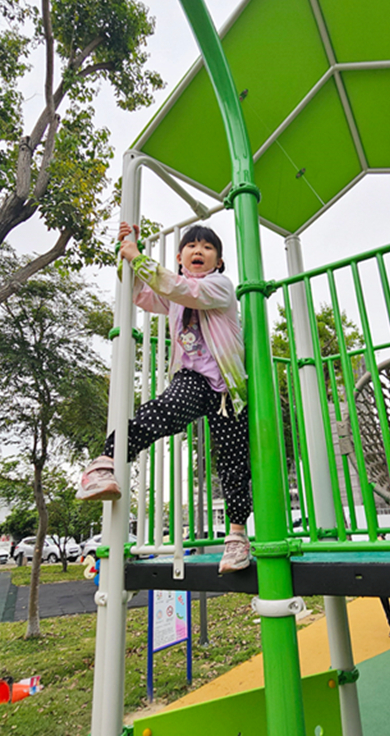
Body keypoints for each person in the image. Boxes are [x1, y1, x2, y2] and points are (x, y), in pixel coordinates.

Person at [78, 222, 253, 574]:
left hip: (228, 389)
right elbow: (140, 292)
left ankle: (236, 537)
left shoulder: (219, 287)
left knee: (235, 464)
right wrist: (127, 249)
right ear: (180, 257)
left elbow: (181, 289)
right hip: (194, 379)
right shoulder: (173, 294)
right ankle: (104, 462)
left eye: (207, 248)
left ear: (219, 262)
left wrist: (139, 257)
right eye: (192, 247)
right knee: (164, 411)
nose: (199, 251)